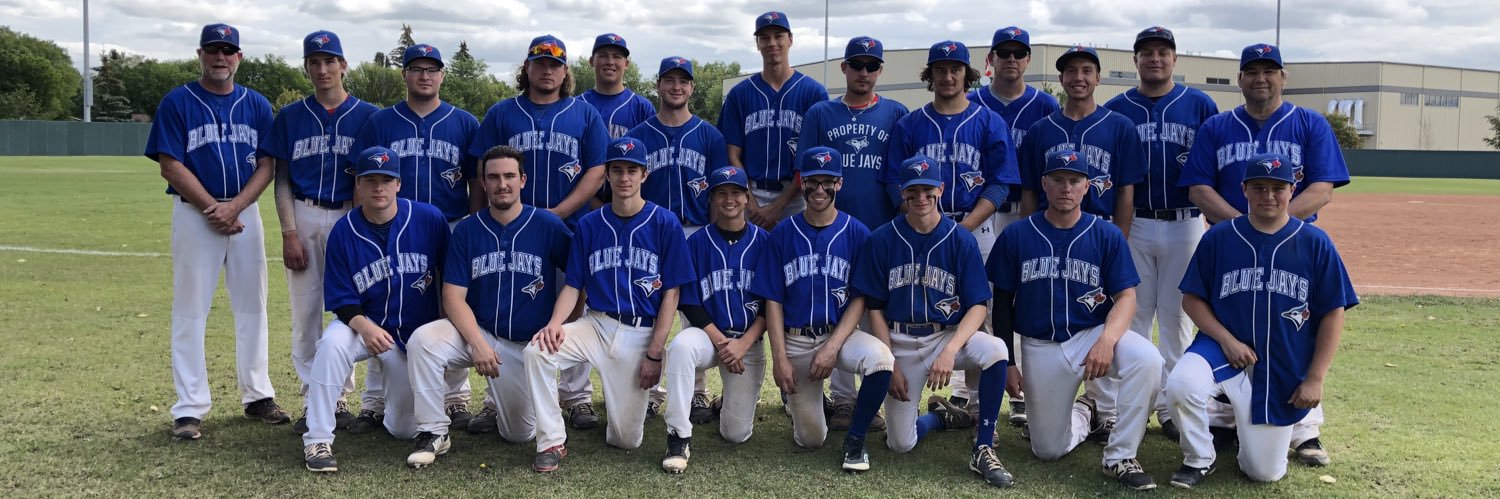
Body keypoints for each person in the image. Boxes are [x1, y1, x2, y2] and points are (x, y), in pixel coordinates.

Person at [1178, 43, 1352, 465]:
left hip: (1294, 244)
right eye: (1251, 71)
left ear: (1282, 77)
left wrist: (1275, 223)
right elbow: (1200, 186)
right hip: (1230, 241)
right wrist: (1244, 226)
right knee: (1227, 323)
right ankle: (1222, 416)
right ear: (1239, 79)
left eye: (1269, 70)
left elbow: (1323, 187)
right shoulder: (1218, 127)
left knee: (1298, 327)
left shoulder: (1309, 124)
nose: (1260, 78)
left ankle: (1305, 430)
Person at [1164, 152, 1357, 487]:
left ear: (1293, 188)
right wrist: (1225, 339)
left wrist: (1316, 378)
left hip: (1280, 364)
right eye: (1259, 187)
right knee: (1181, 384)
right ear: (1244, 189)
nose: (1268, 195)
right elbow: (1192, 299)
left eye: (1277, 187)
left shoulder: (1315, 243)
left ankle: (1247, 438)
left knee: (1264, 474)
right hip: (1221, 351)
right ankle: (1199, 457)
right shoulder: (1219, 237)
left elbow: (1332, 313)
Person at [988, 149, 1164, 491]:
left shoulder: (1106, 234)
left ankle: (1120, 455)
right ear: (1044, 184)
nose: (1065, 188)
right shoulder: (1017, 234)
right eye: (1057, 180)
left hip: (1092, 332)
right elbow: (1002, 302)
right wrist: (1010, 362)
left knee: (1148, 360)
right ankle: (1087, 413)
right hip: (1040, 345)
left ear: (1087, 187)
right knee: (1047, 450)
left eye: (1074, 180)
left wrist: (1107, 341)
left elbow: (1127, 297)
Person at [146, 23, 287, 440]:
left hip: (245, 214)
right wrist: (213, 208)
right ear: (201, 54)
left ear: (239, 57)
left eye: (228, 50)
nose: (220, 57)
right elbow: (170, 163)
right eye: (213, 50)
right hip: (195, 215)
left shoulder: (257, 104)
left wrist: (235, 207)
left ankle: (257, 394)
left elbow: (268, 163)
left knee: (253, 307)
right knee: (191, 310)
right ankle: (189, 407)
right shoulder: (178, 101)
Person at [522, 136, 694, 473]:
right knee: (536, 351)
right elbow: (573, 285)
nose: (625, 178)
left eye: (632, 170)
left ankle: (645, 399)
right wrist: (556, 323)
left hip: (640, 332)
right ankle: (552, 440)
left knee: (625, 440)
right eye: (617, 170)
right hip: (596, 323)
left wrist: (655, 353)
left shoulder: (664, 222)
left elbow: (671, 295)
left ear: (644, 175)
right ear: (607, 176)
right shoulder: (589, 224)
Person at [402, 145, 573, 468]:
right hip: (477, 333)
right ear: (483, 183)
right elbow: (452, 296)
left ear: (523, 180)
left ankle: (502, 404)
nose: (502, 184)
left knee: (519, 434)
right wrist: (478, 344)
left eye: (509, 176)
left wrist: (561, 323)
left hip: (524, 346)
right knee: (423, 341)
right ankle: (433, 431)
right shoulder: (467, 229)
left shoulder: (547, 225)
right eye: (493, 177)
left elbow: (578, 280)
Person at [472, 35, 611, 431]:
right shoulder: (503, 112)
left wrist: (557, 212)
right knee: (501, 306)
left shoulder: (584, 113)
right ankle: (491, 398)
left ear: (565, 71)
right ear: (527, 69)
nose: (547, 70)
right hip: (508, 229)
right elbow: (483, 173)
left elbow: (596, 170)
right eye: (539, 63)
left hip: (570, 225)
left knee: (574, 309)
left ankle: (577, 396)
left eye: (555, 64)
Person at [851, 155, 1014, 487]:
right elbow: (876, 307)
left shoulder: (960, 239)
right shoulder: (882, 239)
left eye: (927, 190)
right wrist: (891, 362)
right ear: (903, 193)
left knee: (995, 349)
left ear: (941, 189)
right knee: (900, 444)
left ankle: (983, 447)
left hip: (946, 335)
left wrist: (950, 351)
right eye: (913, 191)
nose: (921, 198)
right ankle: (941, 419)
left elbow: (979, 306)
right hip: (899, 339)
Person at [885, 39, 1019, 428]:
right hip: (919, 228)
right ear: (930, 75)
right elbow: (895, 183)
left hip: (973, 227)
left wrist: (962, 228)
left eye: (955, 69)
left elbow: (1000, 184)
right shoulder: (911, 123)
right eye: (940, 70)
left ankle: (978, 406)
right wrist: (922, 224)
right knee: (925, 303)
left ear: (968, 74)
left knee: (984, 315)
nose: (947, 76)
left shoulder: (988, 121)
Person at [349, 42, 479, 431]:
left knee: (449, 309)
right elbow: (362, 179)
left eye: (432, 69)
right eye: (416, 68)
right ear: (404, 75)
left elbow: (476, 183)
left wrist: (472, 233)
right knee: (381, 306)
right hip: (391, 230)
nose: (425, 75)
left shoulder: (464, 122)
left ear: (442, 75)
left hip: (452, 224)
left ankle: (455, 397)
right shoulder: (380, 121)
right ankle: (374, 400)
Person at [1100, 26, 1220, 440]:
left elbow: (1215, 166)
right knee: (1130, 319)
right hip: (1133, 224)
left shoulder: (1200, 105)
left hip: (1185, 221)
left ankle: (1171, 408)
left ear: (1174, 59)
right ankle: (1123, 408)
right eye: (1146, 52)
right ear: (1135, 60)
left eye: (1163, 52)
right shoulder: (1118, 109)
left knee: (1177, 320)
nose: (1155, 58)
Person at [300, 146, 452, 472]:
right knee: (331, 343)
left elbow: (452, 278)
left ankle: (386, 405)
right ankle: (317, 440)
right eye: (370, 180)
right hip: (363, 326)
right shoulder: (344, 230)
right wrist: (365, 328)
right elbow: (341, 299)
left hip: (413, 339)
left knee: (404, 430)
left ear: (399, 183)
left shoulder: (428, 219)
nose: (378, 188)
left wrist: (443, 337)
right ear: (359, 185)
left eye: (386, 179)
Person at [262, 30, 381, 433]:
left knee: (358, 307)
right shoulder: (291, 116)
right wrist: (288, 232)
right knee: (306, 311)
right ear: (308, 68)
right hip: (305, 212)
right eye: (315, 61)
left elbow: (372, 175)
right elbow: (282, 180)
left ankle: (342, 397)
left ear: (344, 66)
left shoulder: (368, 116)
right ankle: (315, 396)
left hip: (352, 216)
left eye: (330, 61)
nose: (323, 68)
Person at [751, 146, 894, 472]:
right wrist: (780, 358)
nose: (819, 190)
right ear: (801, 183)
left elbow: (860, 297)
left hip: (839, 336)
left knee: (881, 358)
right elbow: (772, 299)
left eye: (826, 182)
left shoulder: (858, 232)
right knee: (811, 439)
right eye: (812, 182)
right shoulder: (783, 233)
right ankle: (812, 404)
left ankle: (856, 440)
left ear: (839, 183)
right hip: (796, 340)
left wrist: (832, 347)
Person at [793, 35, 907, 430]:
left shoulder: (895, 113)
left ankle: (876, 393)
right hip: (830, 230)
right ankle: (844, 401)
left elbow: (902, 176)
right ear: (843, 68)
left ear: (880, 70)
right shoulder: (821, 113)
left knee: (876, 314)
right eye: (856, 64)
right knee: (836, 307)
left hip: (880, 228)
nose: (863, 72)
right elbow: (803, 171)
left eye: (871, 65)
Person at [952, 25, 1061, 425]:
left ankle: (1019, 389)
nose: (1011, 59)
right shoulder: (972, 100)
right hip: (979, 210)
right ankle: (967, 390)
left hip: (1024, 209)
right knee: (974, 298)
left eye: (1019, 52)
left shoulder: (1046, 105)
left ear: (1028, 60)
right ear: (990, 59)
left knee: (1018, 299)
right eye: (1004, 52)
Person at [628, 56, 728, 423]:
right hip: (650, 230)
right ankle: (652, 391)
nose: (676, 87)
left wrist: (713, 237)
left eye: (683, 81)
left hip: (697, 228)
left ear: (692, 88)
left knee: (693, 312)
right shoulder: (638, 135)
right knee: (650, 308)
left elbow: (721, 191)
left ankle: (698, 391)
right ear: (658, 85)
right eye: (669, 80)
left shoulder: (708, 135)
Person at [659, 166, 770, 473]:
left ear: (747, 198)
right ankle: (678, 435)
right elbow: (690, 302)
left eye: (735, 192)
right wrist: (723, 344)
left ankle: (726, 402)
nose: (729, 199)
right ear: (712, 200)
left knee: (736, 435)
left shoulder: (765, 242)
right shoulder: (695, 243)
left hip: (747, 343)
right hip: (708, 338)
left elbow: (770, 305)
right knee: (681, 346)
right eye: (721, 193)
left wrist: (743, 343)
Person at [719, 10, 830, 229]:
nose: (772, 43)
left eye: (778, 35)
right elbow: (732, 154)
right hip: (750, 193)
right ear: (757, 44)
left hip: (797, 195)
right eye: (765, 37)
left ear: (790, 39)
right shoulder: (740, 94)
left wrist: (779, 206)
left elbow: (814, 157)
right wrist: (750, 203)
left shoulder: (813, 93)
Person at [581, 33, 655, 140]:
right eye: (603, 55)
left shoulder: (642, 108)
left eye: (617, 57)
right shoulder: (576, 106)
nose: (610, 62)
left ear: (626, 64)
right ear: (592, 61)